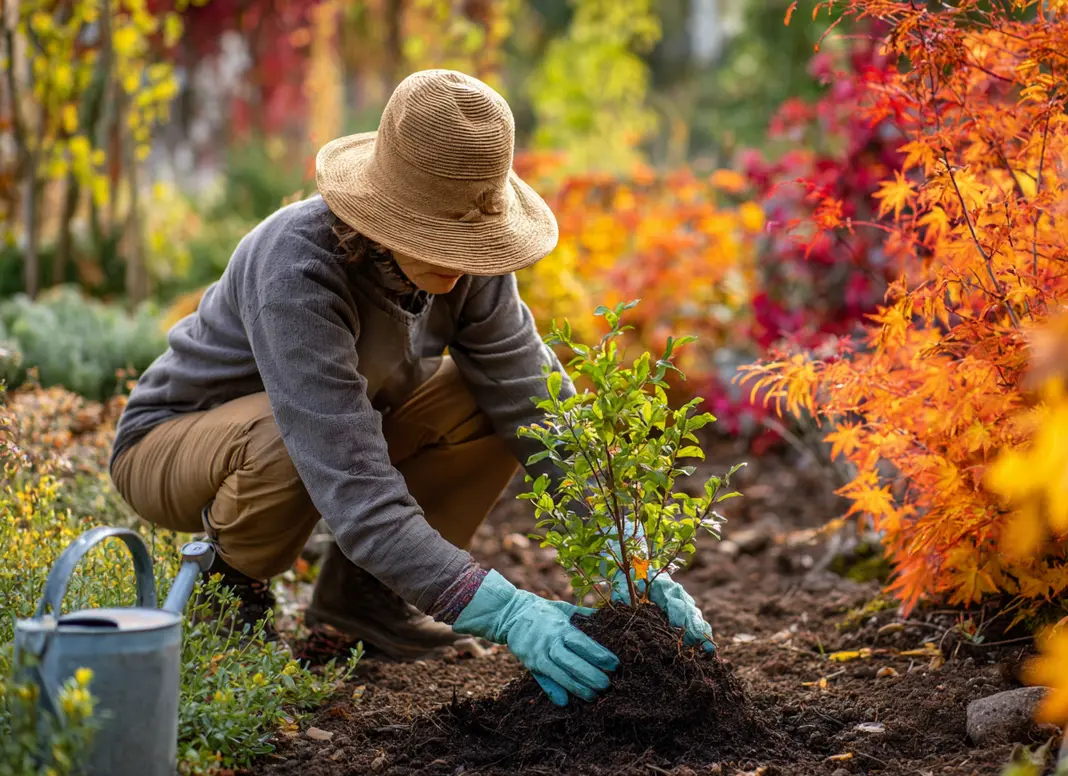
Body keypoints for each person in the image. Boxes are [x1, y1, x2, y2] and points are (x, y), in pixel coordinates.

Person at [107, 69, 713, 707]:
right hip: (175, 446)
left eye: (471, 243)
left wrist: (634, 561)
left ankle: (366, 601)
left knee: (498, 401)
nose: (459, 262)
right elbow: (352, 483)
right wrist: (505, 610)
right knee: (285, 440)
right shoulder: (298, 264)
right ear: (381, 213)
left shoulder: (475, 268)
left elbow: (544, 407)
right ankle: (230, 589)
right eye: (438, 238)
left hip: (334, 434)